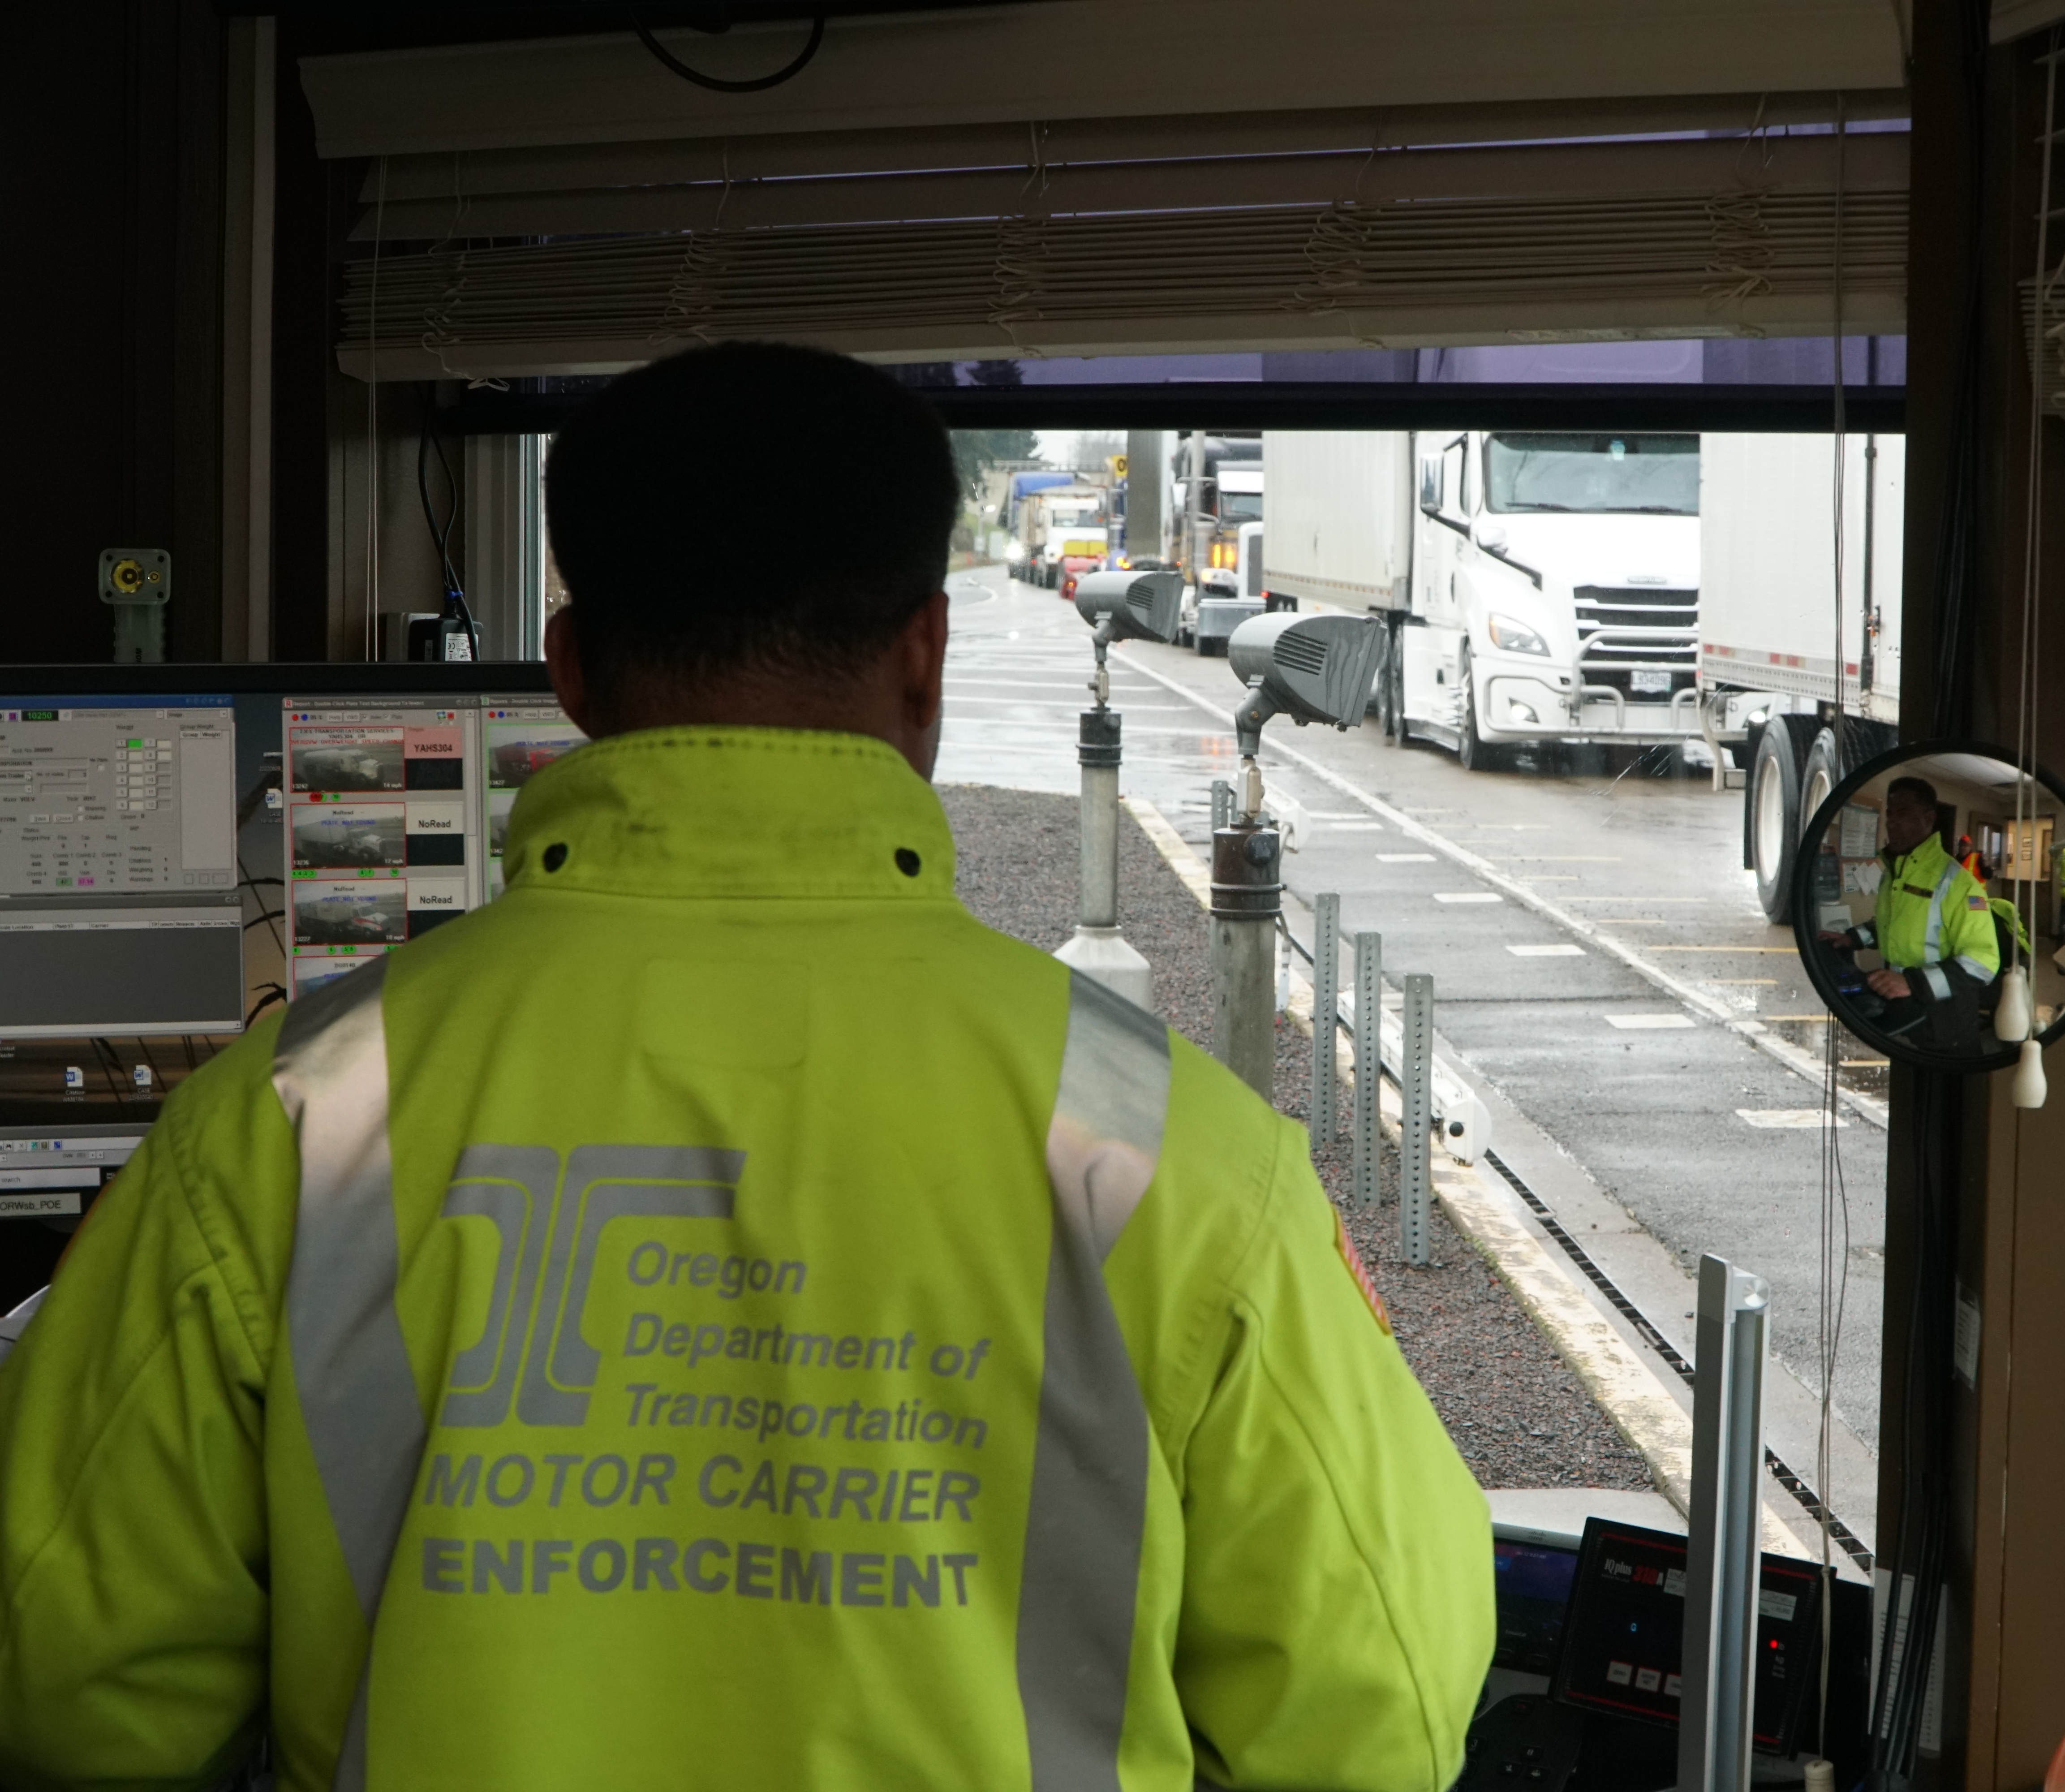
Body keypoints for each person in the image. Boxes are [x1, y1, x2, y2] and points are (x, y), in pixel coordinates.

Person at [0, 342, 1492, 1790]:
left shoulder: (280, 1126)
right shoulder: (1180, 1152)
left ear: (571, 670)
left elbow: (66, 1695)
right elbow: (1380, 1722)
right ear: (928, 659)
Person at [1828, 776, 2001, 1049]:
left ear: (1928, 818)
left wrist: (1913, 983)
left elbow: (1984, 963)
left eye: (1904, 813)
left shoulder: (1959, 883)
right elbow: (1892, 924)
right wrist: (1852, 938)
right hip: (1902, 1008)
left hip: (1946, 1020)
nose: (1892, 822)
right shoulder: (1895, 870)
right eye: (1891, 814)